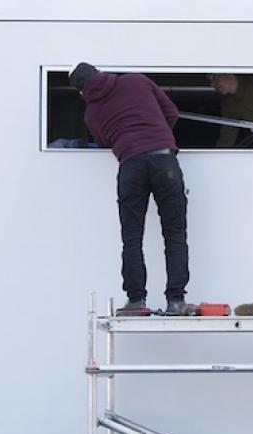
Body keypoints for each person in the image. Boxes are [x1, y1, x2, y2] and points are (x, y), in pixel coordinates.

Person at [70, 62, 192, 316]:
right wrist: (155, 136)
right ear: (100, 71)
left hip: (131, 166)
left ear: (81, 92)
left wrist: (133, 142)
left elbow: (105, 140)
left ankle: (136, 301)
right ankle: (176, 301)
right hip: (164, 160)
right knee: (174, 232)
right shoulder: (137, 80)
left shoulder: (91, 113)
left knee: (132, 236)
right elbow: (171, 112)